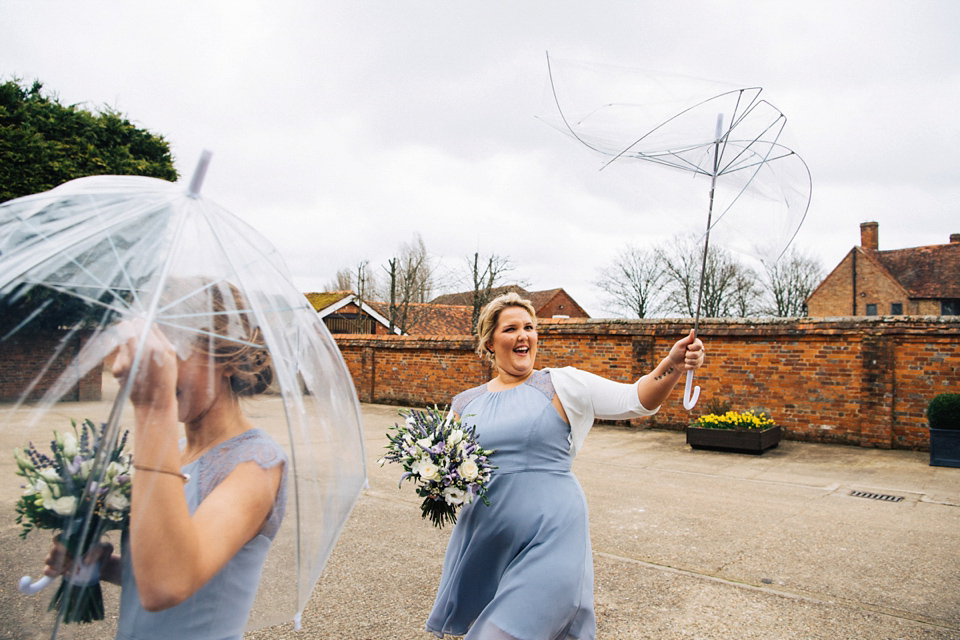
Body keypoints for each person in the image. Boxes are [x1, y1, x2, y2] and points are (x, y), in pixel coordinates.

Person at [425, 292, 705, 640]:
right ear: (489, 341)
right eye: (511, 328)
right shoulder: (464, 403)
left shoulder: (562, 384)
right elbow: (442, 475)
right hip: (488, 541)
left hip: (553, 536)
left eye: (529, 327)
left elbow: (635, 400)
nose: (523, 335)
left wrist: (673, 364)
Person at [45, 281, 288, 640]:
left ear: (228, 361)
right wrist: (100, 566)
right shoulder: (171, 450)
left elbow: (167, 586)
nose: (160, 369)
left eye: (173, 349)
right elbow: (154, 569)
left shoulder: (257, 465)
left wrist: (152, 407)